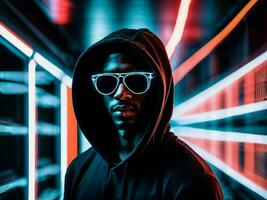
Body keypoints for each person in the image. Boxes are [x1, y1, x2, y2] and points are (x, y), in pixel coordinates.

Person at [64, 28, 223, 199]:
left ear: (157, 91)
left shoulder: (192, 180)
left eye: (136, 81)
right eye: (108, 82)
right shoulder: (78, 171)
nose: (121, 93)